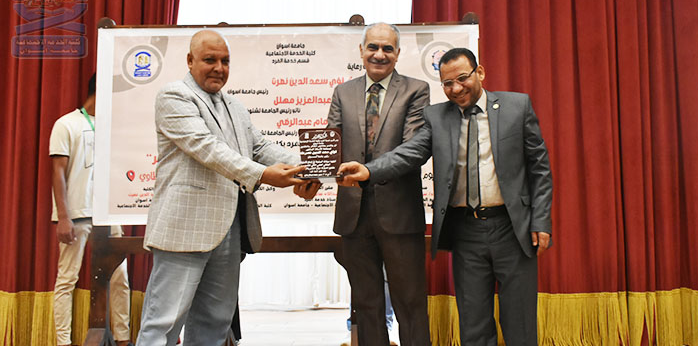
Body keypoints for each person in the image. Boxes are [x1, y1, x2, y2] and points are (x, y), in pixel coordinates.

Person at [338, 48, 553, 345]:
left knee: (520, 324)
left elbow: (539, 168)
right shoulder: (437, 117)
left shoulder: (517, 107)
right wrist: (368, 171)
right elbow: (408, 153)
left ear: (480, 73)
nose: (456, 88)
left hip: (513, 229)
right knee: (473, 325)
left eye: (462, 78)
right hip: (465, 232)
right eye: (447, 83)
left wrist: (540, 220)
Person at [136, 30, 318, 346]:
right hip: (184, 230)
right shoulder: (174, 96)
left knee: (215, 323)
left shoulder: (234, 106)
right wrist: (263, 175)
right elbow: (208, 148)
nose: (219, 68)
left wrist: (314, 169)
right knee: (163, 325)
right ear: (190, 60)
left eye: (225, 61)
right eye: (210, 60)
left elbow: (260, 147)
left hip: (230, 230)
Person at [328, 22, 431, 346]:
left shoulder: (416, 90)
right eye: (372, 47)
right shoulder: (343, 92)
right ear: (361, 51)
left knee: (410, 304)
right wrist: (314, 174)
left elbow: (414, 150)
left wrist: (369, 171)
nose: (379, 54)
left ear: (398, 53)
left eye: (387, 48)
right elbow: (331, 147)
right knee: (366, 305)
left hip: (399, 214)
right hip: (353, 214)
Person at [50, 73, 132, 346]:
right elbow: (58, 173)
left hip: (108, 215)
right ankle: (63, 342)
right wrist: (63, 217)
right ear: (100, 91)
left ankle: (122, 339)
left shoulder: (113, 127)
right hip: (76, 214)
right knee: (67, 279)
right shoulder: (66, 124)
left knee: (120, 277)